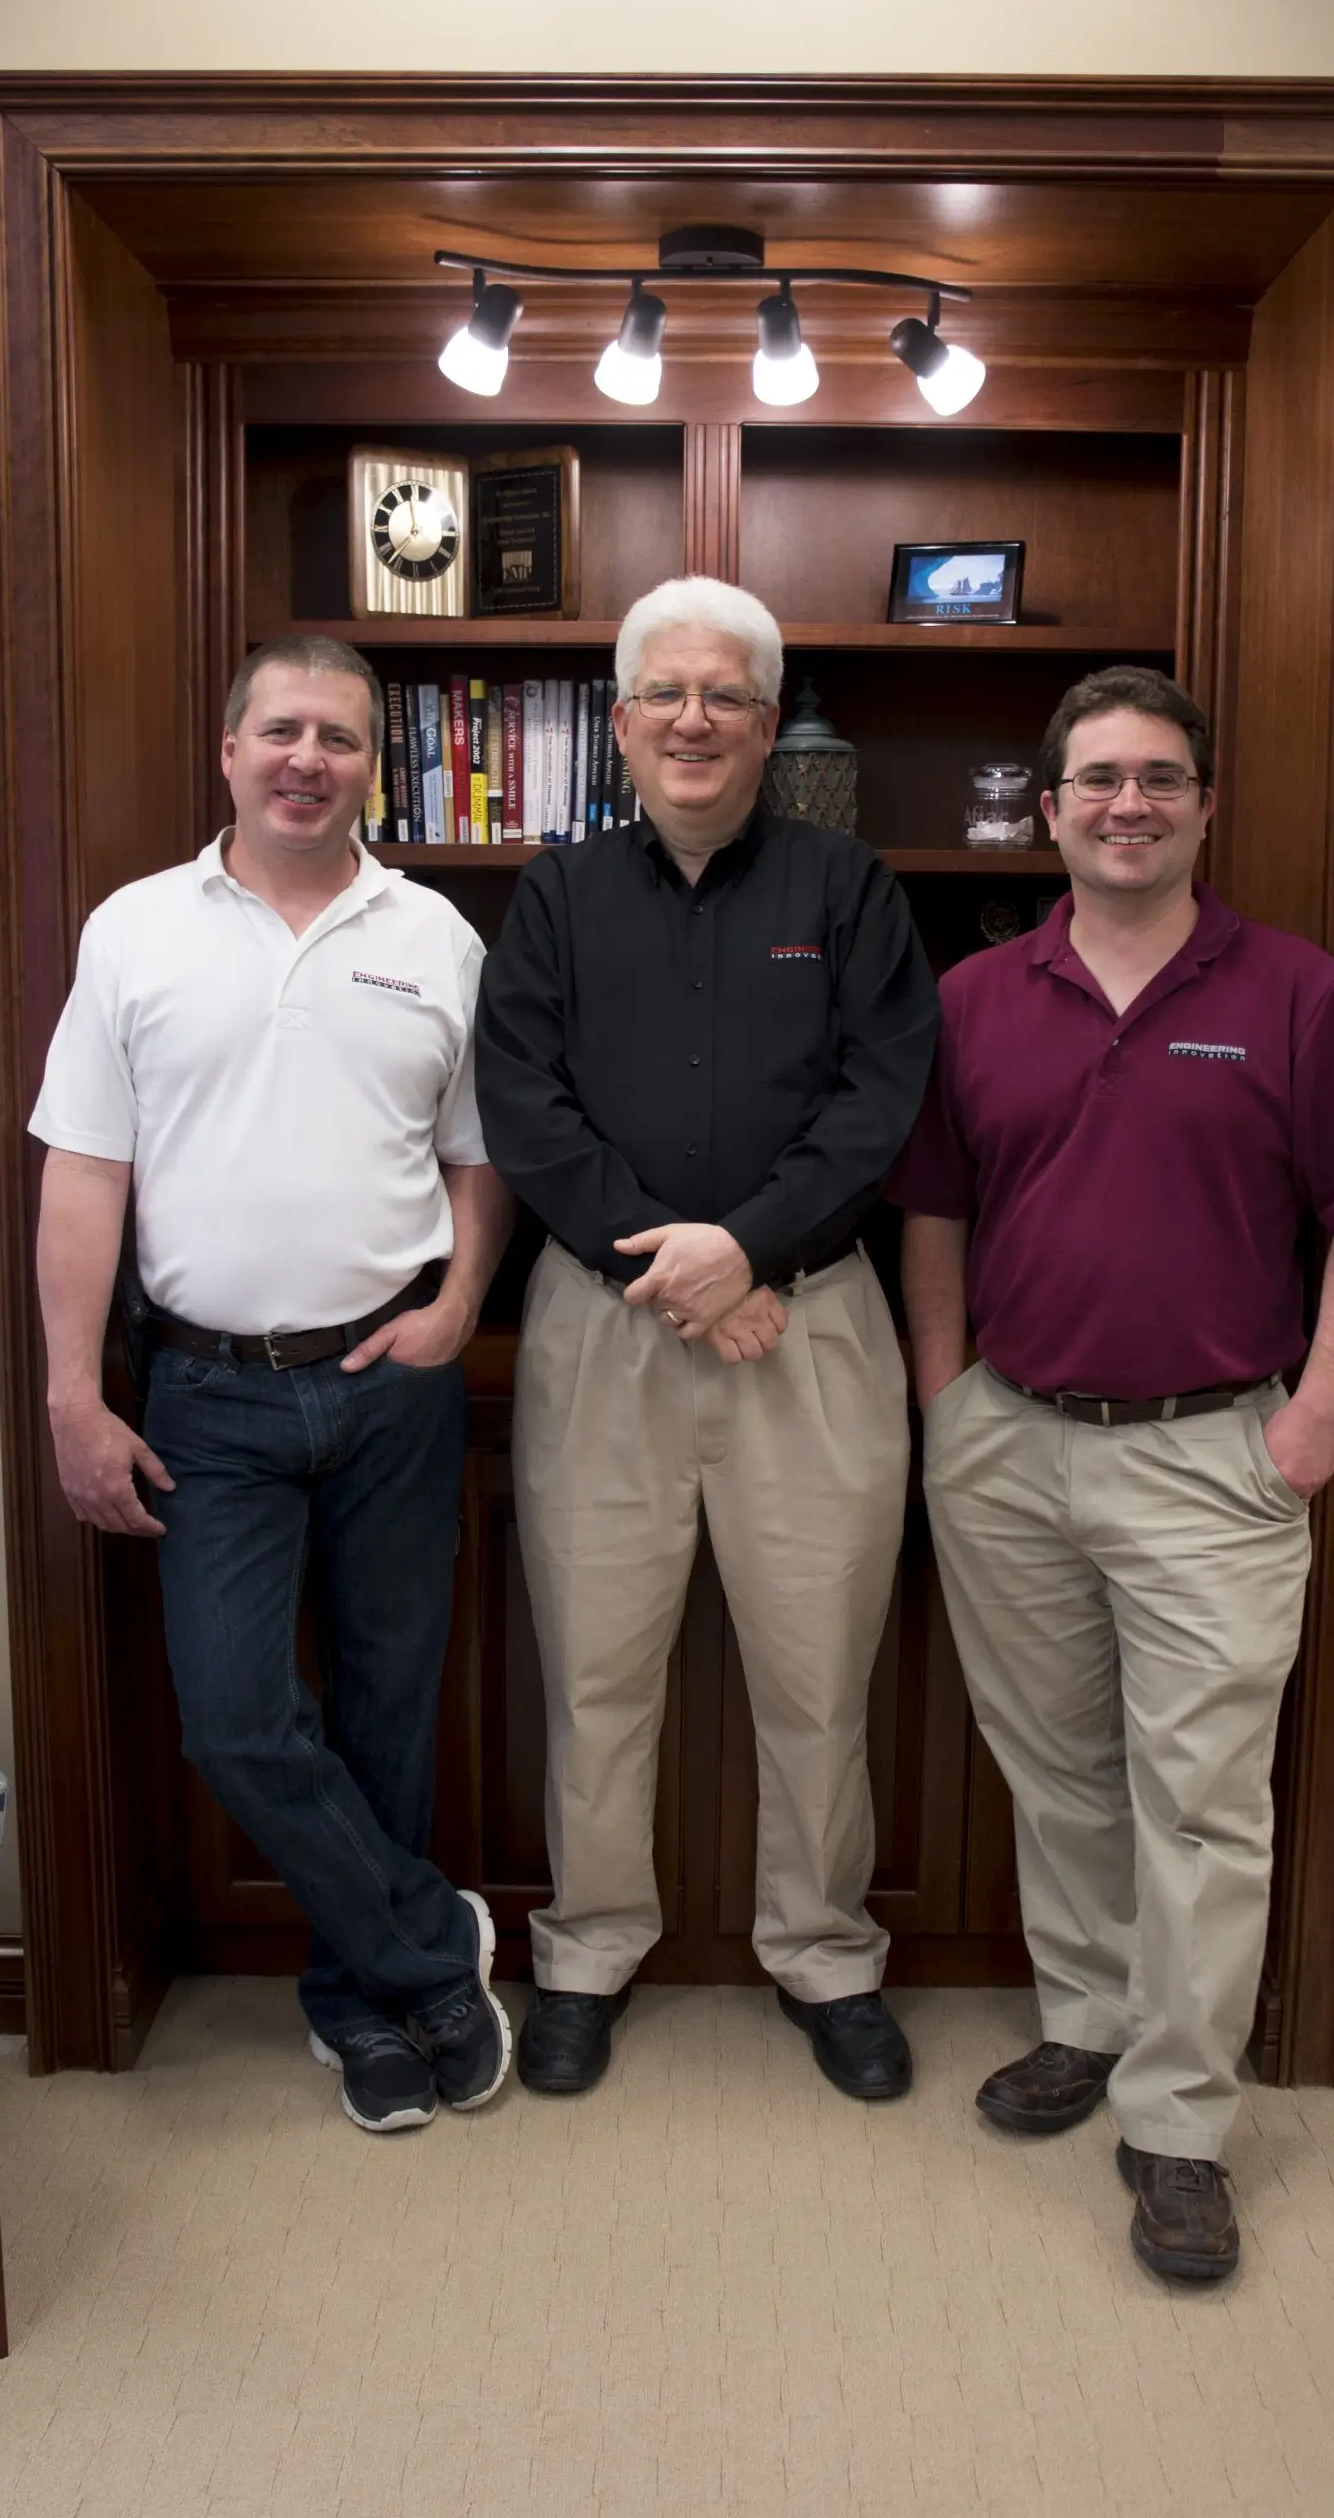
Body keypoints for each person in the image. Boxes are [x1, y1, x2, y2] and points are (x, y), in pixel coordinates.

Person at [893, 664, 1334, 2283]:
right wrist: (947, 1405)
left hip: (1213, 1457)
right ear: (1049, 811)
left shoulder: (1295, 992)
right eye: (1099, 779)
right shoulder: (979, 999)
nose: (1130, 804)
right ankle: (1092, 2023)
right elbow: (936, 1215)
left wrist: (1318, 1411)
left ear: (1202, 806)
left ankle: (1181, 2124)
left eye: (1162, 779)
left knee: (1198, 1802)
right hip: (1010, 1445)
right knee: (1054, 1768)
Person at [30, 635, 517, 2135]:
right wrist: (69, 1392)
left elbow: (479, 1160)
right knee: (236, 1718)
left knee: (387, 1707)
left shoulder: (434, 932)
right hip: (204, 1399)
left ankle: (359, 2004)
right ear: (229, 750)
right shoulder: (134, 932)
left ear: (378, 764)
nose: (310, 758)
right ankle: (439, 1952)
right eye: (282, 731)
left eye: (344, 738)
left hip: (391, 1380)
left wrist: (457, 1306)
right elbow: (83, 1171)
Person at [475, 577, 939, 2101]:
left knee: (819, 1672)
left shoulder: (849, 888)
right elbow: (524, 1110)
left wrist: (755, 1250)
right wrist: (688, 1274)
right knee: (596, 1673)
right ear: (618, 725)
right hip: (601, 1333)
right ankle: (590, 1952)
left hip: (809, 1330)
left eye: (725, 697)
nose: (694, 720)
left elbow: (882, 1102)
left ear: (762, 724)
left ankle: (824, 1953)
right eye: (664, 695)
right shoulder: (555, 896)